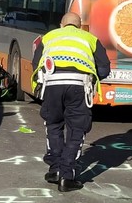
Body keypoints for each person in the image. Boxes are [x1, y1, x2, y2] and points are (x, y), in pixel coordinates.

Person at [31, 12, 110, 192]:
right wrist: (91, 77)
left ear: (61, 25)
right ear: (80, 26)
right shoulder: (90, 38)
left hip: (52, 84)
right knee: (76, 128)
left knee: (53, 124)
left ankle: (55, 169)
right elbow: (104, 68)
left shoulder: (49, 37)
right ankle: (67, 176)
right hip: (78, 85)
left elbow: (36, 63)